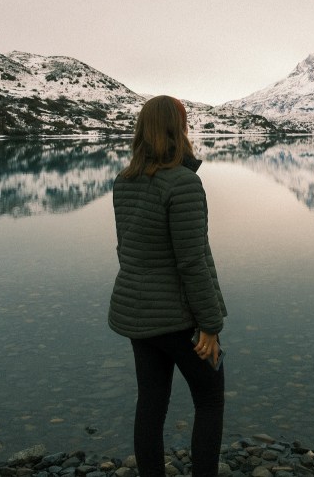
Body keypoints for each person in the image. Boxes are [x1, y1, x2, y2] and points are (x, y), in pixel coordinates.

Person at [109, 95, 227, 477]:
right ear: (179, 129)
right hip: (178, 319)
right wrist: (210, 323)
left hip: (137, 315)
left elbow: (126, 248)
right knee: (209, 400)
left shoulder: (123, 181)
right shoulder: (184, 184)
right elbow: (192, 262)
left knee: (151, 404)